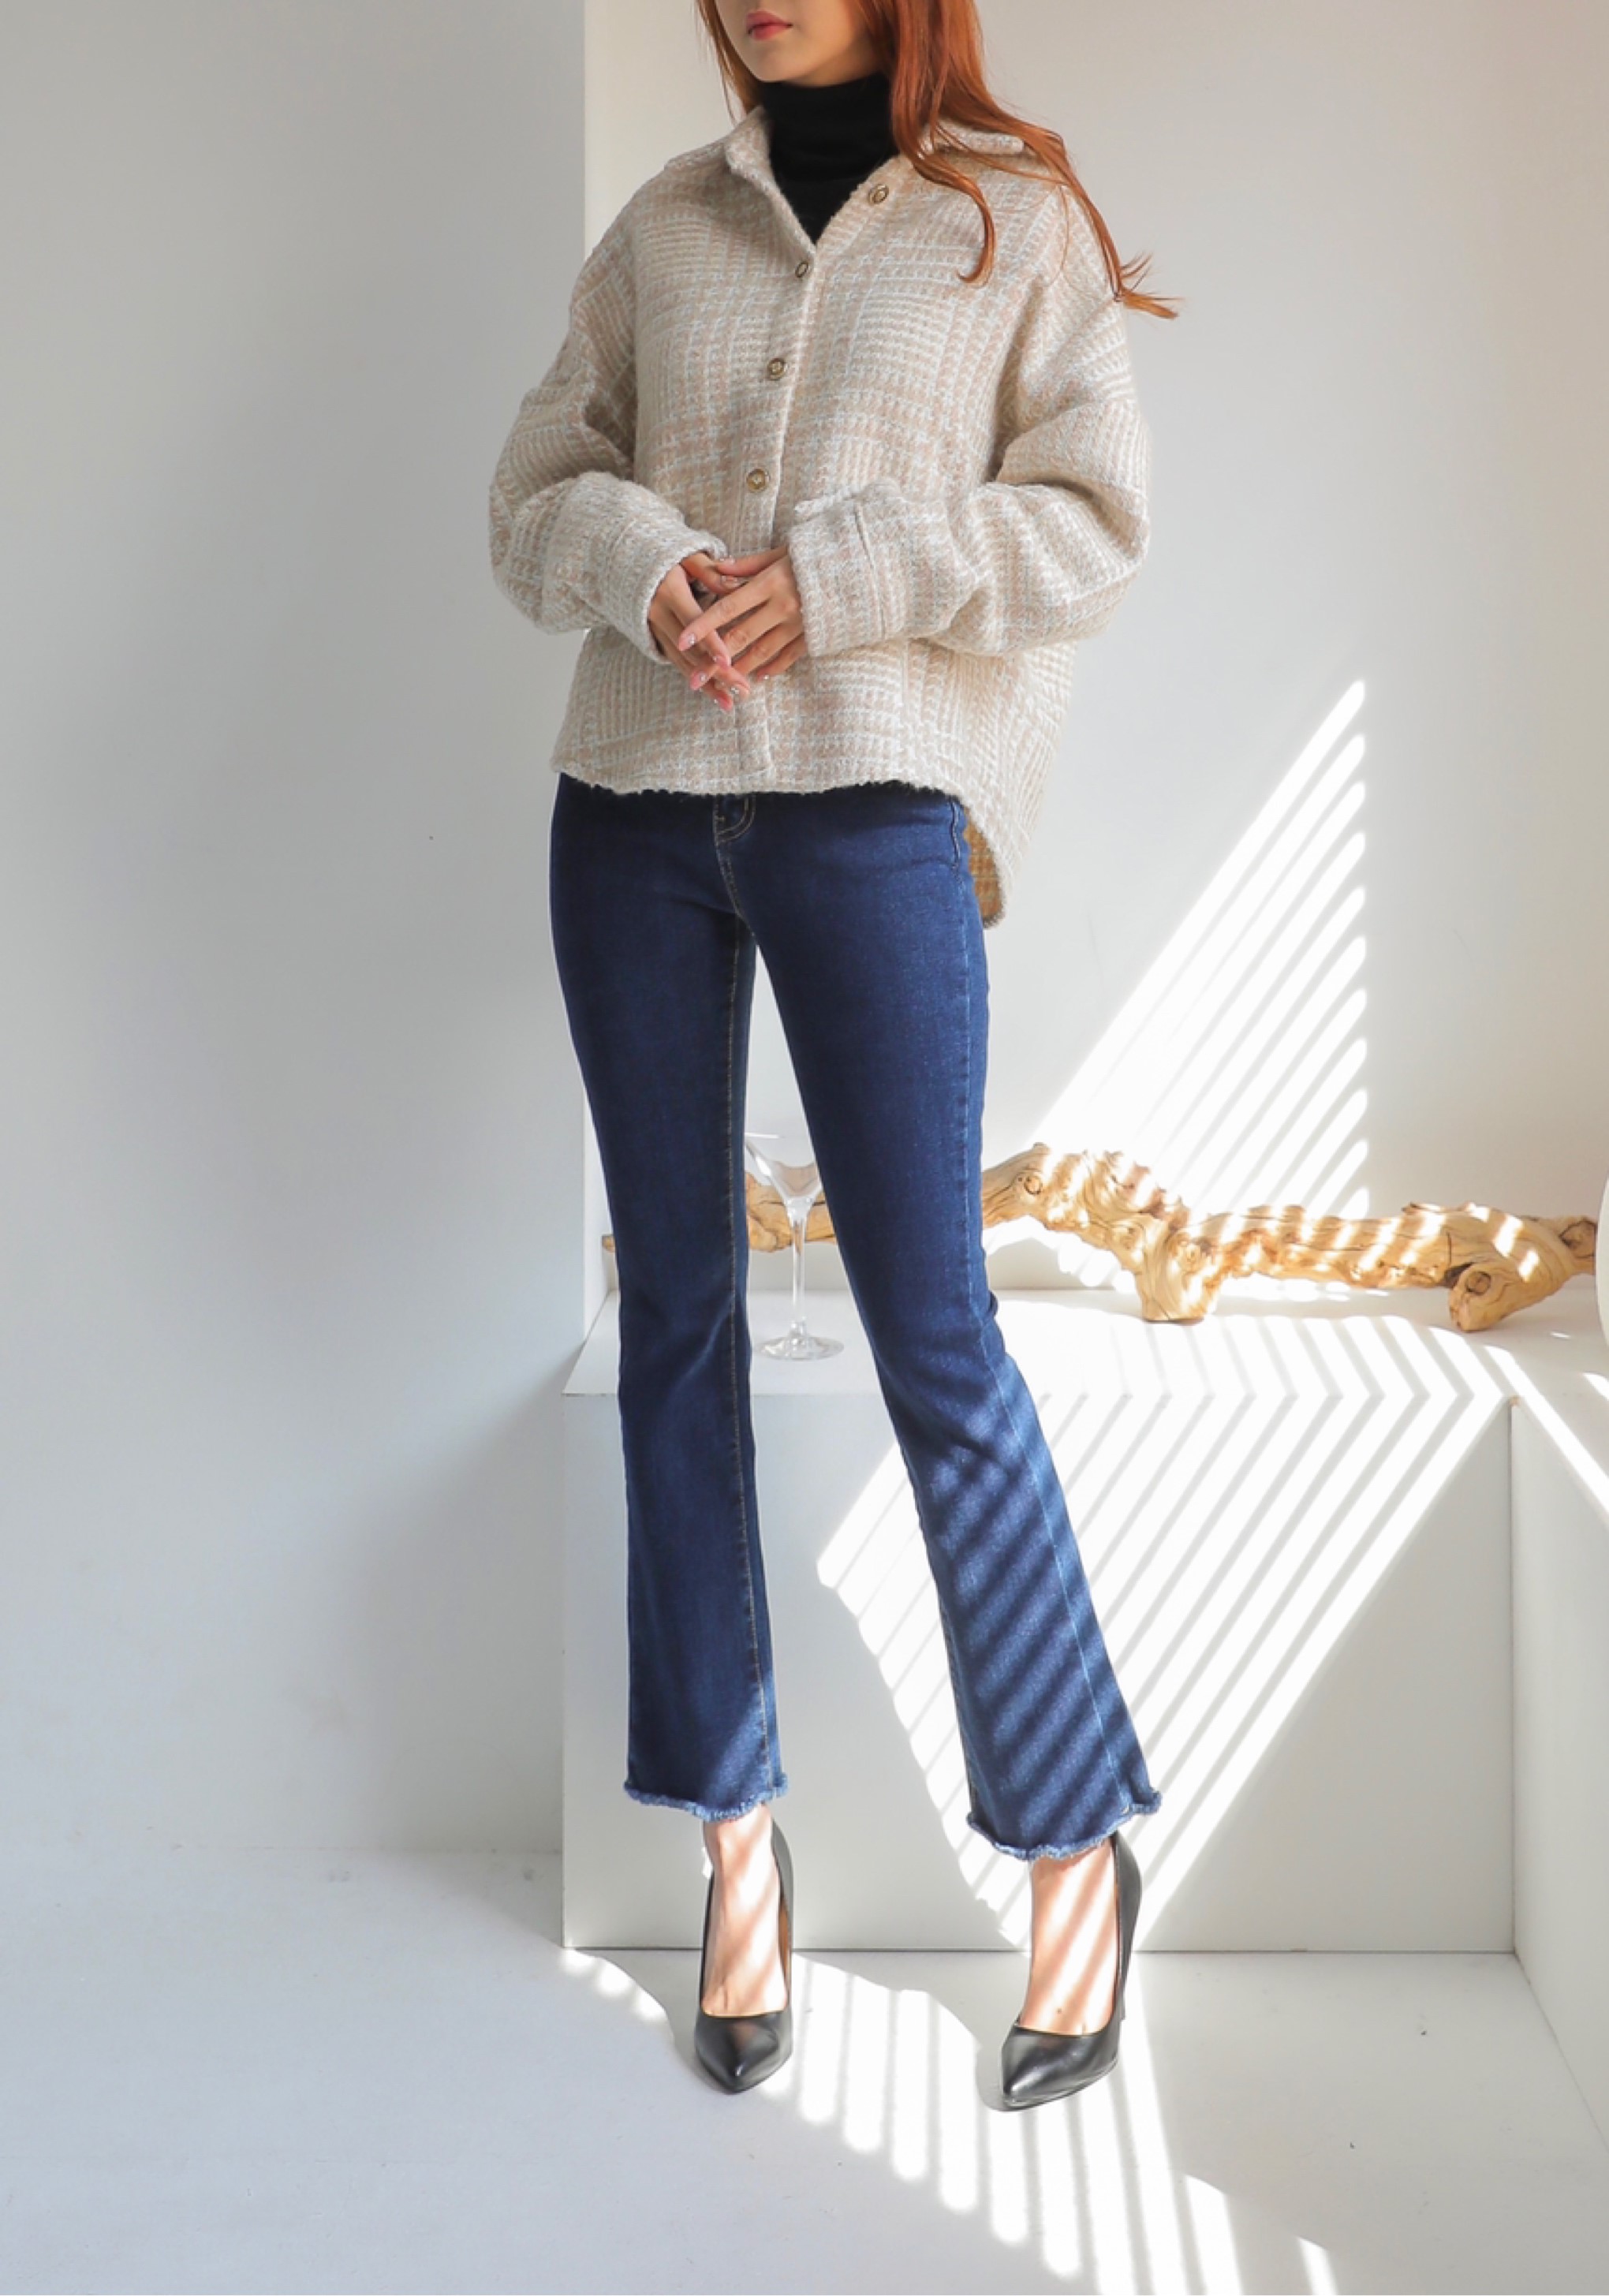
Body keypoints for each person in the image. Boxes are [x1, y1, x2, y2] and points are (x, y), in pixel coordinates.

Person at [488, 0, 1177, 2107]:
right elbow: (532, 495)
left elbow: (1092, 524)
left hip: (873, 810)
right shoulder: (664, 226)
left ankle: (1072, 1840)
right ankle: (732, 1844)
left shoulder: (1009, 223)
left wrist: (838, 576)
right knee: (678, 1320)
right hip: (632, 813)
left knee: (931, 1330)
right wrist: (648, 565)